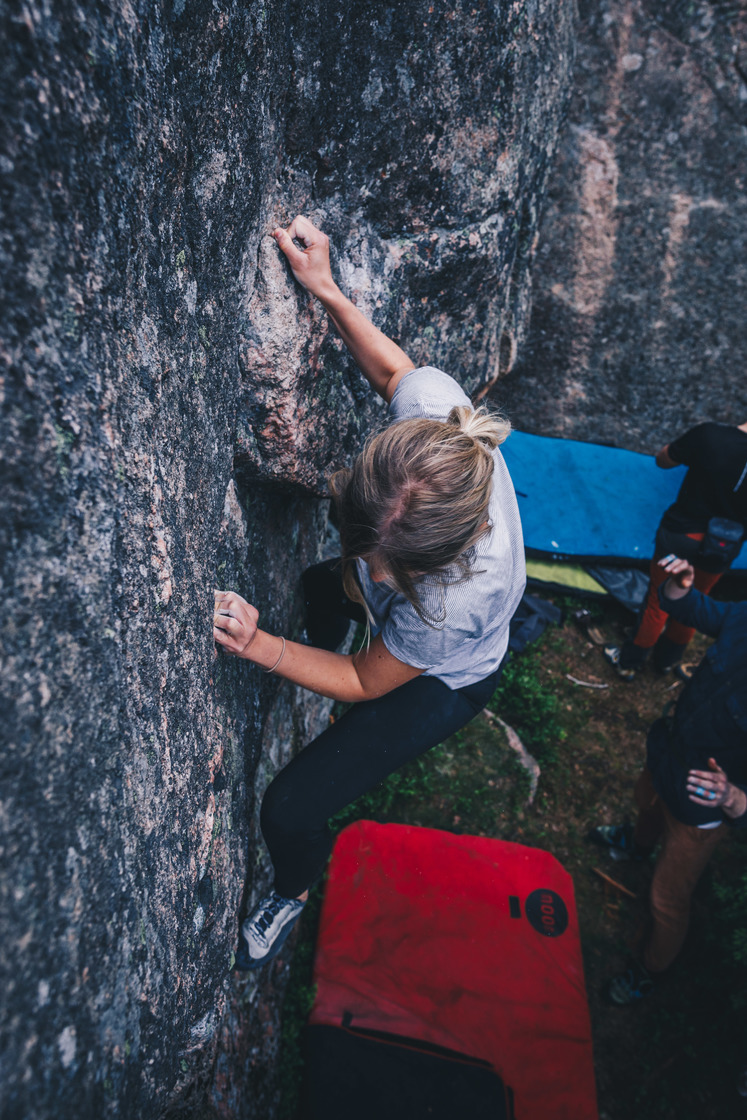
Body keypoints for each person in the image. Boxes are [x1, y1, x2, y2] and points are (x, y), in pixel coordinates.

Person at [213, 216, 526, 969]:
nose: (374, 574)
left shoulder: (459, 603)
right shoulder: (436, 430)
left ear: (446, 554)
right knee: (326, 584)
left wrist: (260, 647)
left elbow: (363, 679)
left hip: (445, 680)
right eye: (369, 550)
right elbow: (395, 373)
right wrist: (326, 289)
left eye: (393, 570)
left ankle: (289, 893)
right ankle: (306, 658)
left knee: (290, 806)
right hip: (404, 623)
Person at [592, 556, 747, 1004]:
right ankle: (634, 845)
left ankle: (647, 970)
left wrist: (735, 797)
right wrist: (678, 588)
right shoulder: (744, 618)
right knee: (646, 804)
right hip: (669, 755)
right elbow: (693, 609)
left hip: (701, 806)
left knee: (667, 899)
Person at [605, 421, 747, 679]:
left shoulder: (710, 435)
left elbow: (663, 460)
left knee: (658, 602)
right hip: (724, 546)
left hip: (681, 535)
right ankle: (667, 662)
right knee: (695, 601)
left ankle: (629, 663)